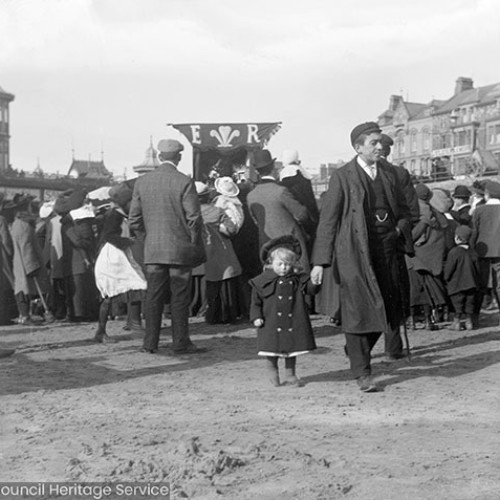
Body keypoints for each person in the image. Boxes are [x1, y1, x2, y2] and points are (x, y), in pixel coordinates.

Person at [311, 121, 411, 393]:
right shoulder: (342, 176)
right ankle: (363, 372)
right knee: (357, 312)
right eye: (374, 143)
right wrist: (320, 261)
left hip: (387, 252)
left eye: (381, 142)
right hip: (353, 254)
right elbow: (328, 220)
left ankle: (357, 348)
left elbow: (405, 211)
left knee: (388, 310)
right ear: (358, 148)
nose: (381, 147)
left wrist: (399, 230)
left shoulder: (392, 174)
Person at [129, 138, 206, 354]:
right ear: (179, 157)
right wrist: (193, 242)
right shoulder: (184, 181)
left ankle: (150, 343)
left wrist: (148, 238)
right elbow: (194, 218)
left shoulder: (142, 182)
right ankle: (180, 342)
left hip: (153, 249)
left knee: (153, 295)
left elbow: (133, 219)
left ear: (160, 157)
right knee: (180, 297)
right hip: (180, 249)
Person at [249, 235, 318, 387]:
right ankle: (273, 373)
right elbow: (255, 302)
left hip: (292, 320)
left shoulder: (298, 279)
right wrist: (256, 317)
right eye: (279, 264)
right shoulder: (262, 281)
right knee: (271, 351)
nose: (283, 268)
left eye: (287, 264)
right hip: (270, 322)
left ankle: (290, 374)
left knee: (291, 350)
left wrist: (315, 282)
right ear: (270, 263)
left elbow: (310, 290)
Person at [93, 183, 147, 343]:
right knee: (121, 288)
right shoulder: (114, 215)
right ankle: (102, 332)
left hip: (118, 254)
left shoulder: (117, 214)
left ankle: (105, 330)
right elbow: (109, 235)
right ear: (125, 201)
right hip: (113, 256)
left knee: (131, 285)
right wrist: (126, 241)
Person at [247, 149, 311, 273]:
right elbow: (302, 215)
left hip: (268, 246)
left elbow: (256, 221)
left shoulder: (251, 196)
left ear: (257, 171)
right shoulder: (280, 191)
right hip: (292, 245)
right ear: (273, 167)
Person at [471, 180, 500, 326]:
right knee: (499, 284)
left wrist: (471, 248)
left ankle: (474, 317)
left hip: (482, 252)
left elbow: (474, 232)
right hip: (499, 251)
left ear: (487, 194)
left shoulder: (479, 210)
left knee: (480, 284)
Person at [443, 225, 479, 331]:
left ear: (458, 238)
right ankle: (469, 322)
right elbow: (477, 270)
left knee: (457, 304)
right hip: (471, 284)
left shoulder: (454, 252)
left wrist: (446, 277)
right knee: (469, 304)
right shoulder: (473, 252)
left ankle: (456, 323)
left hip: (457, 284)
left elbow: (449, 269)